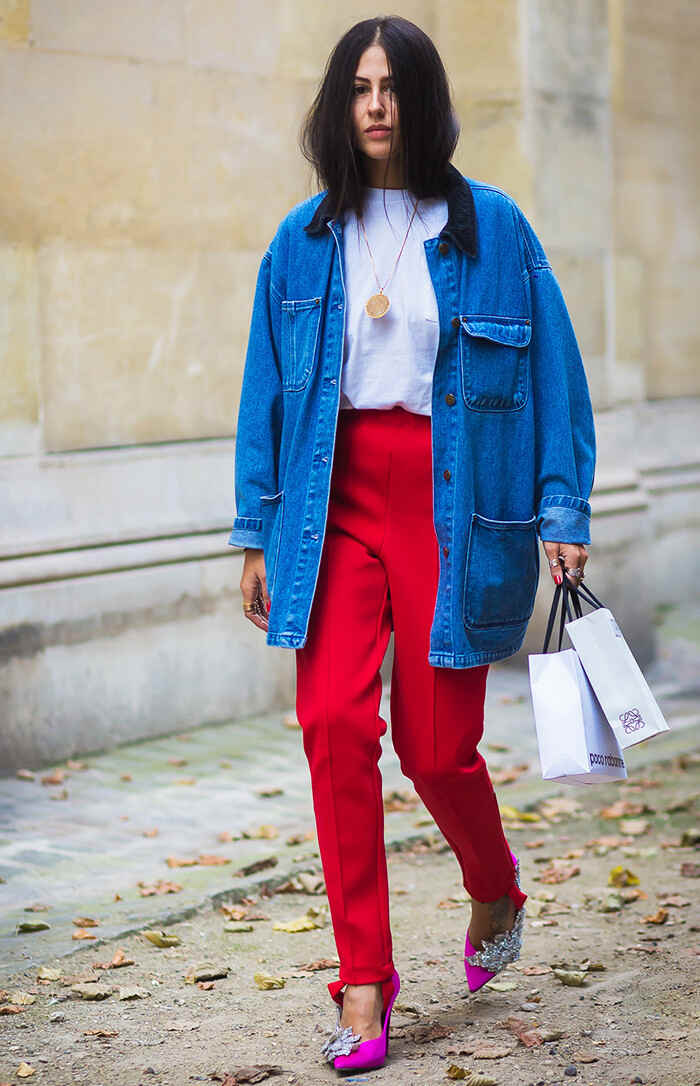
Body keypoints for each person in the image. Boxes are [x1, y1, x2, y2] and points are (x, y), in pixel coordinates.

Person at [228, 14, 595, 1075]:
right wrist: (254, 531)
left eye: (391, 87)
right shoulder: (301, 239)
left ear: (423, 101)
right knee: (333, 726)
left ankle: (494, 887)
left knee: (436, 750)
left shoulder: (495, 228)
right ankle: (362, 982)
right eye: (358, 87)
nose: (376, 105)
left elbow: (556, 377)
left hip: (454, 501)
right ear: (338, 105)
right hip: (331, 502)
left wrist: (563, 513)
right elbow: (265, 392)